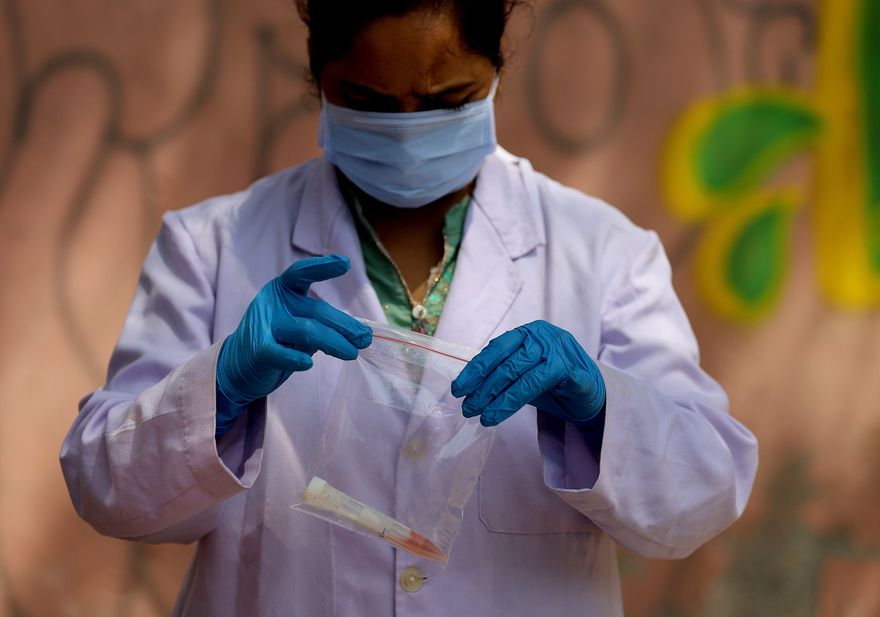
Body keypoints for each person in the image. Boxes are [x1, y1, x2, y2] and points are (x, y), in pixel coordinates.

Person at [60, 1, 758, 615]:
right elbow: (108, 488)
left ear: (497, 77)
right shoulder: (212, 246)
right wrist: (218, 389)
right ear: (319, 78)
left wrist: (601, 406)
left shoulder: (603, 252)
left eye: (449, 98)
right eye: (367, 99)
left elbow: (703, 492)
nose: (407, 130)